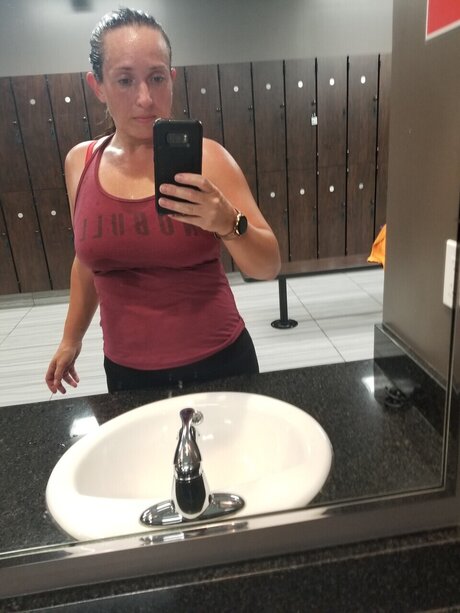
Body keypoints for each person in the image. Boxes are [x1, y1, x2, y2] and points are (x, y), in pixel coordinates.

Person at [45, 7, 281, 395]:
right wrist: (71, 338)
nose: (145, 98)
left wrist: (229, 222)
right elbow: (87, 262)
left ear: (171, 79)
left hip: (220, 364)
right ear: (97, 85)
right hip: (126, 373)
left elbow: (268, 265)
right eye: (125, 80)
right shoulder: (80, 163)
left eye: (156, 78)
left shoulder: (209, 159)